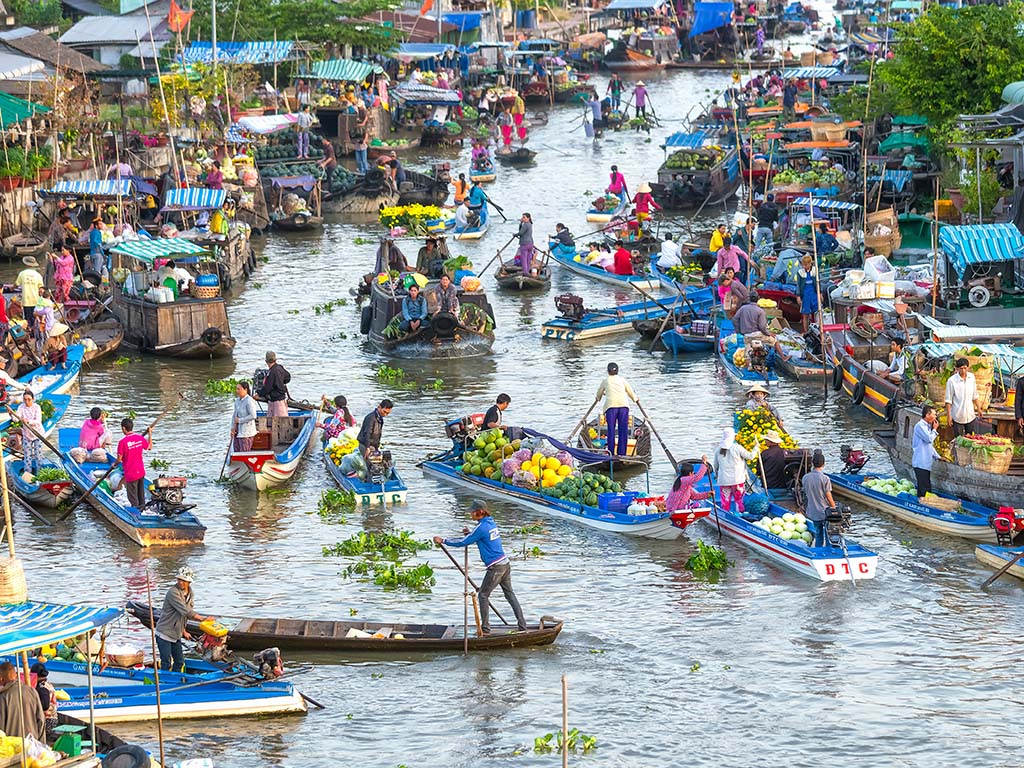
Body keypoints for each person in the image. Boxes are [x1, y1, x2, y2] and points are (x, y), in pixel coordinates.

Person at [433, 501, 528, 634]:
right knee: (509, 594)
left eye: (473, 512)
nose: (471, 514)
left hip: (496, 567)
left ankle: (485, 630)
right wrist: (470, 534)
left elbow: (463, 542)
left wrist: (443, 541)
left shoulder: (482, 527)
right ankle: (523, 626)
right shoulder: (490, 522)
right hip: (505, 564)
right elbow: (477, 536)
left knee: (483, 595)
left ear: (480, 512)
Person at [154, 567, 214, 673]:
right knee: (166, 662)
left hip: (176, 633)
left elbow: (184, 616)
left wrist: (183, 631)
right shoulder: (173, 592)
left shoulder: (190, 594)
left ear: (189, 582)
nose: (180, 582)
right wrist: (203, 619)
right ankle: (164, 682)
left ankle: (175, 681)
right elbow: (185, 611)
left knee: (179, 662)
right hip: (164, 632)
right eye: (179, 580)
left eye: (183, 581)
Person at [595, 362, 638, 456]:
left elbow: (599, 392)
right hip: (623, 406)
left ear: (608, 371)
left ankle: (611, 452)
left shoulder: (605, 380)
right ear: (617, 371)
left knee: (611, 430)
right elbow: (630, 391)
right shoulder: (622, 380)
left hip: (611, 407)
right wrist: (635, 399)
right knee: (623, 430)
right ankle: (621, 453)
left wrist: (598, 398)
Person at [713, 427, 758, 513]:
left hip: (724, 481)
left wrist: (717, 476)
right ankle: (739, 515)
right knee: (739, 501)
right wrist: (755, 448)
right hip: (737, 480)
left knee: (725, 501)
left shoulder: (718, 450)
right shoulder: (737, 448)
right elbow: (751, 457)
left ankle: (725, 515)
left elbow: (716, 466)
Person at [733, 294, 789, 360]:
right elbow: (762, 327)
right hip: (758, 335)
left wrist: (738, 330)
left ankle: (747, 366)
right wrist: (769, 334)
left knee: (747, 355)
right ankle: (783, 357)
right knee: (775, 341)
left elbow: (735, 319)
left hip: (747, 335)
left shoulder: (743, 308)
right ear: (758, 299)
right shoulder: (760, 311)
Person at [0, 661, 43, 740]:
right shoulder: (32, 691)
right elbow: (41, 720)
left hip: (12, 746)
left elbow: (1, 730)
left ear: (1, 678)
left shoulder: (3, 696)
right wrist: (41, 744)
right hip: (32, 743)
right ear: (15, 675)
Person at [801, 450, 835, 546]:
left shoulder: (805, 478)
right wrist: (834, 508)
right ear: (823, 464)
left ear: (812, 464)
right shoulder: (825, 479)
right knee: (829, 535)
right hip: (825, 512)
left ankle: (818, 550)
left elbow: (805, 494)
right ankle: (829, 551)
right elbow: (829, 496)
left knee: (818, 533)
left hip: (813, 511)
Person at [912, 404, 944, 503]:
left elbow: (929, 447)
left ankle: (924, 505)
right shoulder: (920, 426)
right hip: (920, 463)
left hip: (925, 464)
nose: (935, 417)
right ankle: (922, 508)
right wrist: (935, 429)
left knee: (926, 487)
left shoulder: (926, 427)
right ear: (927, 415)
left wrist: (938, 457)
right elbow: (929, 439)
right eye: (934, 414)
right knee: (924, 489)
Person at [117, 417, 151, 508]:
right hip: (140, 471)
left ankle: (136, 513)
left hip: (131, 473)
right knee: (141, 494)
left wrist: (114, 464)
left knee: (132, 496)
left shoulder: (122, 442)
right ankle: (142, 508)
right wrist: (150, 433)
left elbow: (119, 459)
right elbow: (149, 447)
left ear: (124, 428)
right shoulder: (140, 438)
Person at [944, 357, 981, 436]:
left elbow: (975, 395)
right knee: (958, 440)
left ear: (968, 368)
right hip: (957, 416)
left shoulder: (971, 378)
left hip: (970, 415)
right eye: (961, 368)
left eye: (965, 368)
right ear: (957, 369)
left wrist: (979, 409)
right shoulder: (952, 381)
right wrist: (949, 416)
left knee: (970, 438)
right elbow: (948, 400)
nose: (963, 371)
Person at [258, 351, 291, 418]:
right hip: (281, 399)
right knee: (281, 420)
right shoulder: (280, 368)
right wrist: (281, 382)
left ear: (266, 361)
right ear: (275, 360)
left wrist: (259, 394)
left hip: (276, 401)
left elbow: (267, 388)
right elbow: (288, 377)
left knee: (278, 420)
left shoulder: (271, 372)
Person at [17, 390, 43, 475]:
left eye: (29, 399)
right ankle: (28, 474)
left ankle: (40, 474)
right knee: (27, 456)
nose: (27, 402)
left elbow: (38, 421)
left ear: (33, 399)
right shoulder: (21, 407)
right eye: (25, 399)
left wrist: (28, 421)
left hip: (37, 434)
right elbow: (17, 418)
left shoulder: (37, 407)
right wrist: (11, 415)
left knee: (38, 456)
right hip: (27, 434)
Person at [16, 256, 43, 332]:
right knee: (35, 317)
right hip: (36, 300)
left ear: (26, 264)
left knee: (27, 318)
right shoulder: (38, 275)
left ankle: (29, 332)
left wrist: (12, 288)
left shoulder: (22, 274)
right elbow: (41, 289)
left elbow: (16, 284)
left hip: (26, 300)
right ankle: (35, 331)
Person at [29, 663, 56, 736]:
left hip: (46, 721)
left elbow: (45, 705)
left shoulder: (41, 687)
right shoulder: (49, 684)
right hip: (53, 720)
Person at [231, 381, 258, 452]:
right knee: (236, 449)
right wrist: (232, 427)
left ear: (245, 390)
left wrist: (240, 420)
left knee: (244, 451)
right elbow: (234, 415)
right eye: (236, 389)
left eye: (239, 389)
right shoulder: (237, 401)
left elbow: (253, 415)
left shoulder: (249, 401)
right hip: (238, 430)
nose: (237, 391)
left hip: (246, 432)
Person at [796, 254, 819, 333]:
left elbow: (818, 283)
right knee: (805, 314)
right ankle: (806, 332)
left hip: (814, 294)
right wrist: (798, 296)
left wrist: (820, 293)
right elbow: (798, 285)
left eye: (806, 265)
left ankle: (817, 331)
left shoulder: (815, 271)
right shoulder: (800, 272)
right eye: (803, 265)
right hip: (805, 295)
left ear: (810, 263)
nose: (804, 266)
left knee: (816, 313)